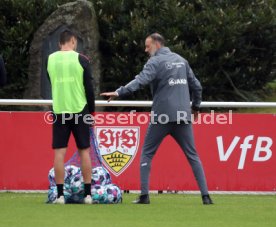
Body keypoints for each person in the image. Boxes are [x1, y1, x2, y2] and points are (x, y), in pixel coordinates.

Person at [101, 33, 213, 205]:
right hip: (183, 115)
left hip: (162, 116)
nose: (146, 50)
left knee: (147, 153)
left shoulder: (155, 62)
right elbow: (197, 86)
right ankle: (206, 197)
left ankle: (144, 196)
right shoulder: (182, 61)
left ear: (157, 45)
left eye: (147, 46)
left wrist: (119, 92)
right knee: (193, 156)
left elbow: (140, 80)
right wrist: (196, 107)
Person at [47, 30, 95, 204]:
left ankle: (60, 196)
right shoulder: (82, 59)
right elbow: (89, 88)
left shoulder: (50, 59)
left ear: (60, 43)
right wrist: (92, 113)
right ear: (73, 41)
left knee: (59, 153)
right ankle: (88, 195)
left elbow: (50, 80)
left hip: (60, 110)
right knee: (84, 152)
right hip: (79, 110)